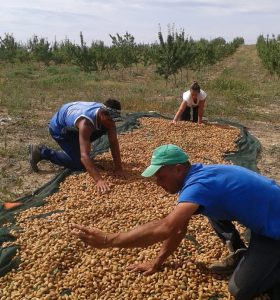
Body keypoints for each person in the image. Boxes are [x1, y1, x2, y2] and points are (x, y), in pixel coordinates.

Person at [71, 144, 280, 300]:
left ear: (179, 169)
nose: (157, 183)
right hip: (269, 213)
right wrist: (157, 262)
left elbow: (167, 227)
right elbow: (179, 229)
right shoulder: (200, 173)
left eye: (161, 176)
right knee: (212, 208)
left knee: (240, 290)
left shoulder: (198, 187)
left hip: (275, 229)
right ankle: (241, 252)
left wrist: (109, 240)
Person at [29, 99, 126, 193]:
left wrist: (118, 168)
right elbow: (84, 157)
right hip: (60, 129)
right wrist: (99, 180)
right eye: (110, 120)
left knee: (104, 128)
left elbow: (113, 142)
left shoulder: (107, 116)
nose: (112, 123)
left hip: (73, 121)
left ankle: (75, 149)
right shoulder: (86, 123)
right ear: (101, 114)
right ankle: (42, 152)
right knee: (80, 164)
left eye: (114, 120)